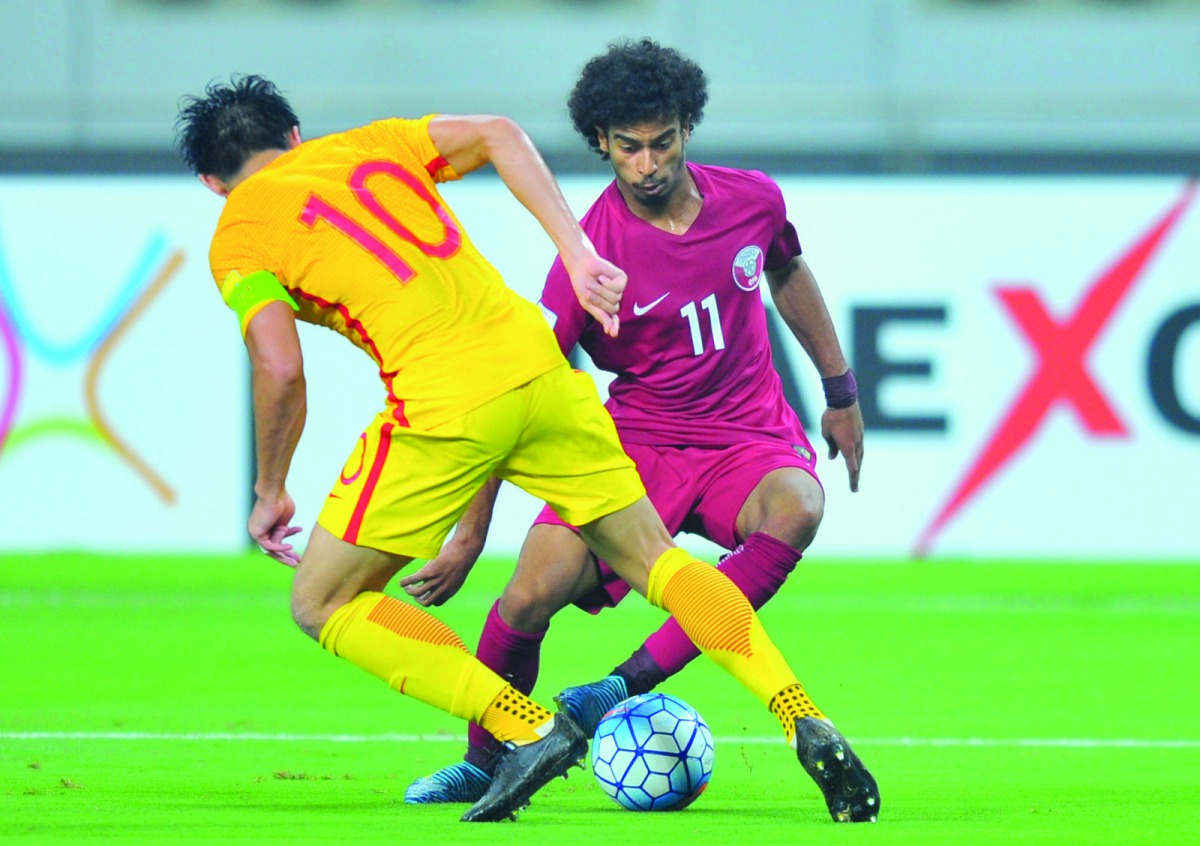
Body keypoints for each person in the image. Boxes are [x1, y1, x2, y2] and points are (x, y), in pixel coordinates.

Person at [174, 74, 876, 824]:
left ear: (213, 182)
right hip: (539, 366)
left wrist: (269, 489)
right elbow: (501, 131)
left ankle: (528, 727)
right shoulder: (370, 145)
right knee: (660, 565)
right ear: (293, 137)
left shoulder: (237, 236)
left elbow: (279, 366)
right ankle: (801, 711)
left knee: (324, 601)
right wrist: (575, 251)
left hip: (441, 401)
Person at [401, 39, 878, 824]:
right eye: (629, 147)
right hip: (632, 450)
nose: (648, 162)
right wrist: (467, 534)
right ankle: (481, 764)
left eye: (662, 141)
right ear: (602, 144)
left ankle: (617, 686)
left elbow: (787, 271)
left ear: (687, 128)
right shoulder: (586, 261)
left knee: (799, 505)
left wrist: (840, 389)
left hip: (746, 437)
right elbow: (518, 393)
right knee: (526, 598)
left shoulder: (754, 201)